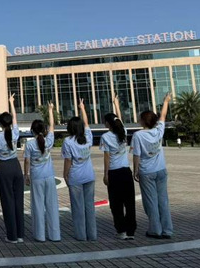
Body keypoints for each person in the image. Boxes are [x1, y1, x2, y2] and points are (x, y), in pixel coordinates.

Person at [132, 93, 174, 239]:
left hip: (147, 172)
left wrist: (135, 171)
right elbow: (163, 116)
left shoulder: (138, 135)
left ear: (143, 121)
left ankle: (155, 230)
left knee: (151, 202)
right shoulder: (158, 130)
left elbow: (136, 155)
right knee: (163, 201)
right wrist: (166, 101)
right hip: (161, 170)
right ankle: (167, 230)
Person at [100, 93, 136, 240]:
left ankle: (121, 230)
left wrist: (105, 174)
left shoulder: (106, 137)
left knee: (116, 203)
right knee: (129, 202)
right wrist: (116, 104)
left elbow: (107, 157)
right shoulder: (123, 131)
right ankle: (131, 231)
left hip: (114, 172)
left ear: (107, 124)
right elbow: (119, 120)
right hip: (126, 171)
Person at [24, 102, 60, 242]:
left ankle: (40, 235)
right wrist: (50, 110)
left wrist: (26, 175)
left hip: (37, 177)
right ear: (44, 130)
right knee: (52, 205)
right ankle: (55, 235)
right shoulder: (48, 141)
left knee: (38, 206)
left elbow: (27, 161)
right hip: (49, 176)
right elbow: (52, 126)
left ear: (32, 130)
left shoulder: (29, 144)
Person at [62, 99, 97, 241]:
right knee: (90, 207)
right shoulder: (88, 137)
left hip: (76, 177)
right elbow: (87, 123)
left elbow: (68, 161)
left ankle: (81, 235)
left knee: (78, 208)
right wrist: (82, 108)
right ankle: (92, 234)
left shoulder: (68, 141)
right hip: (89, 176)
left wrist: (65, 175)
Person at [0, 94, 23, 244]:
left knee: (7, 201)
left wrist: (0, 167)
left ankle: (12, 236)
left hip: (4, 166)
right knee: (18, 200)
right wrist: (11, 103)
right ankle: (20, 234)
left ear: (0, 124)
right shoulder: (15, 133)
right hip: (16, 166)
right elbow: (15, 118)